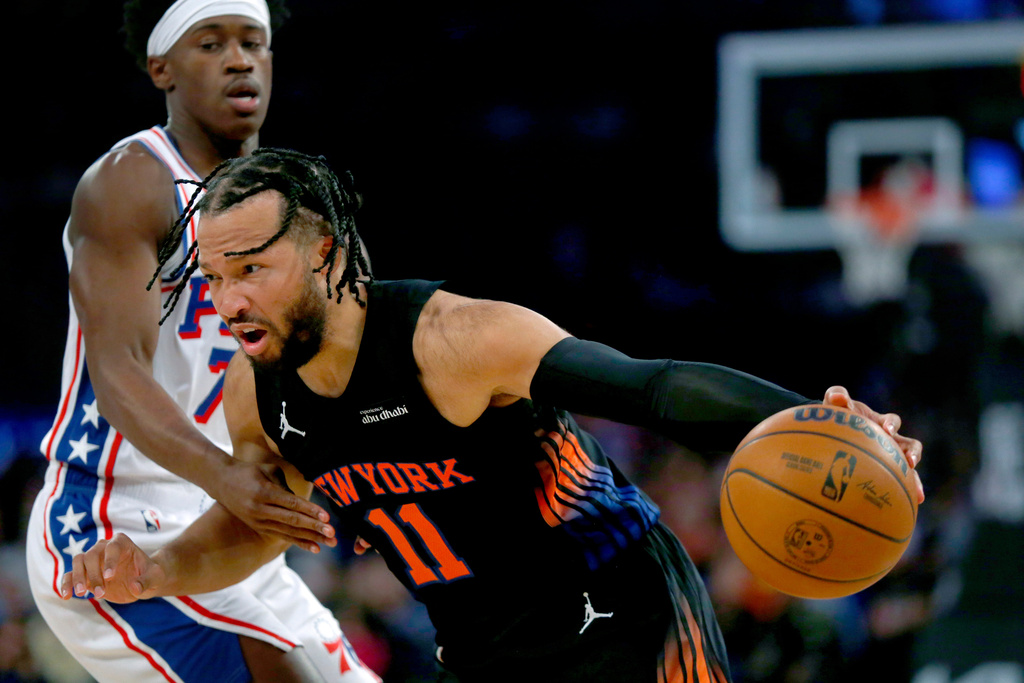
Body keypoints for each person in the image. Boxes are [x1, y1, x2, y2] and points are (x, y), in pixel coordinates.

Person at [63, 148, 925, 683]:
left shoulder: (456, 339)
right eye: (214, 277)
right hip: (480, 655)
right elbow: (261, 520)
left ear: (325, 250)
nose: (228, 299)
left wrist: (825, 420)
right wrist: (159, 568)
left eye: (250, 269)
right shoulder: (257, 387)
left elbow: (652, 386)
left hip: (624, 617)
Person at [27, 4, 379, 682]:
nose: (239, 60)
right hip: (109, 521)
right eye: (211, 43)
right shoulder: (133, 180)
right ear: (162, 67)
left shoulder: (302, 211)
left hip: (230, 532)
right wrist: (225, 475)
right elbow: (117, 367)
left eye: (254, 43)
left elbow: (342, 378)